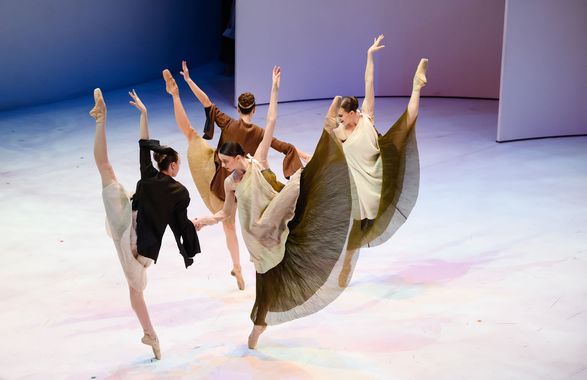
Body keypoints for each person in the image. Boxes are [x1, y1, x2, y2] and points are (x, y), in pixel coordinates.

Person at [195, 67, 354, 349]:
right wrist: (205, 221)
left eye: (226, 162)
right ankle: (258, 329)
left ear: (240, 157)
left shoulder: (259, 160)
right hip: (259, 241)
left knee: (305, 178)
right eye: (221, 163)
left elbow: (270, 121)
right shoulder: (231, 184)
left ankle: (328, 127)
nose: (223, 167)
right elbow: (226, 215)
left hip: (280, 223)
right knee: (266, 286)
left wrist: (275, 89)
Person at [161, 61, 309, 291]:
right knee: (257, 223)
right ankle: (269, 262)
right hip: (250, 186)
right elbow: (281, 144)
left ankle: (237, 266)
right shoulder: (260, 134)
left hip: (224, 181)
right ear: (253, 110)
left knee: (191, 135)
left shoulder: (228, 123)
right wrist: (305, 154)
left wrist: (188, 80)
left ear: (239, 109)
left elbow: (206, 102)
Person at [90, 88, 200, 360]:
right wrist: (201, 223)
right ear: (173, 165)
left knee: (105, 168)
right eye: (179, 164)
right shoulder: (180, 192)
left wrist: (144, 113)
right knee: (136, 291)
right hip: (137, 245)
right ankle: (151, 334)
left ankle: (100, 119)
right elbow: (181, 226)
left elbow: (144, 144)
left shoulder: (149, 174)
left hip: (125, 213)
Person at [327, 35, 428, 285]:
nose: (340, 119)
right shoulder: (339, 133)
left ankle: (416, 85)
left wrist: (369, 56)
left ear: (353, 112)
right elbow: (326, 149)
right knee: (352, 232)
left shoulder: (367, 118)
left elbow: (369, 81)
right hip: (356, 192)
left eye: (342, 115)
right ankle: (345, 268)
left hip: (378, 181)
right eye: (338, 116)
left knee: (406, 123)